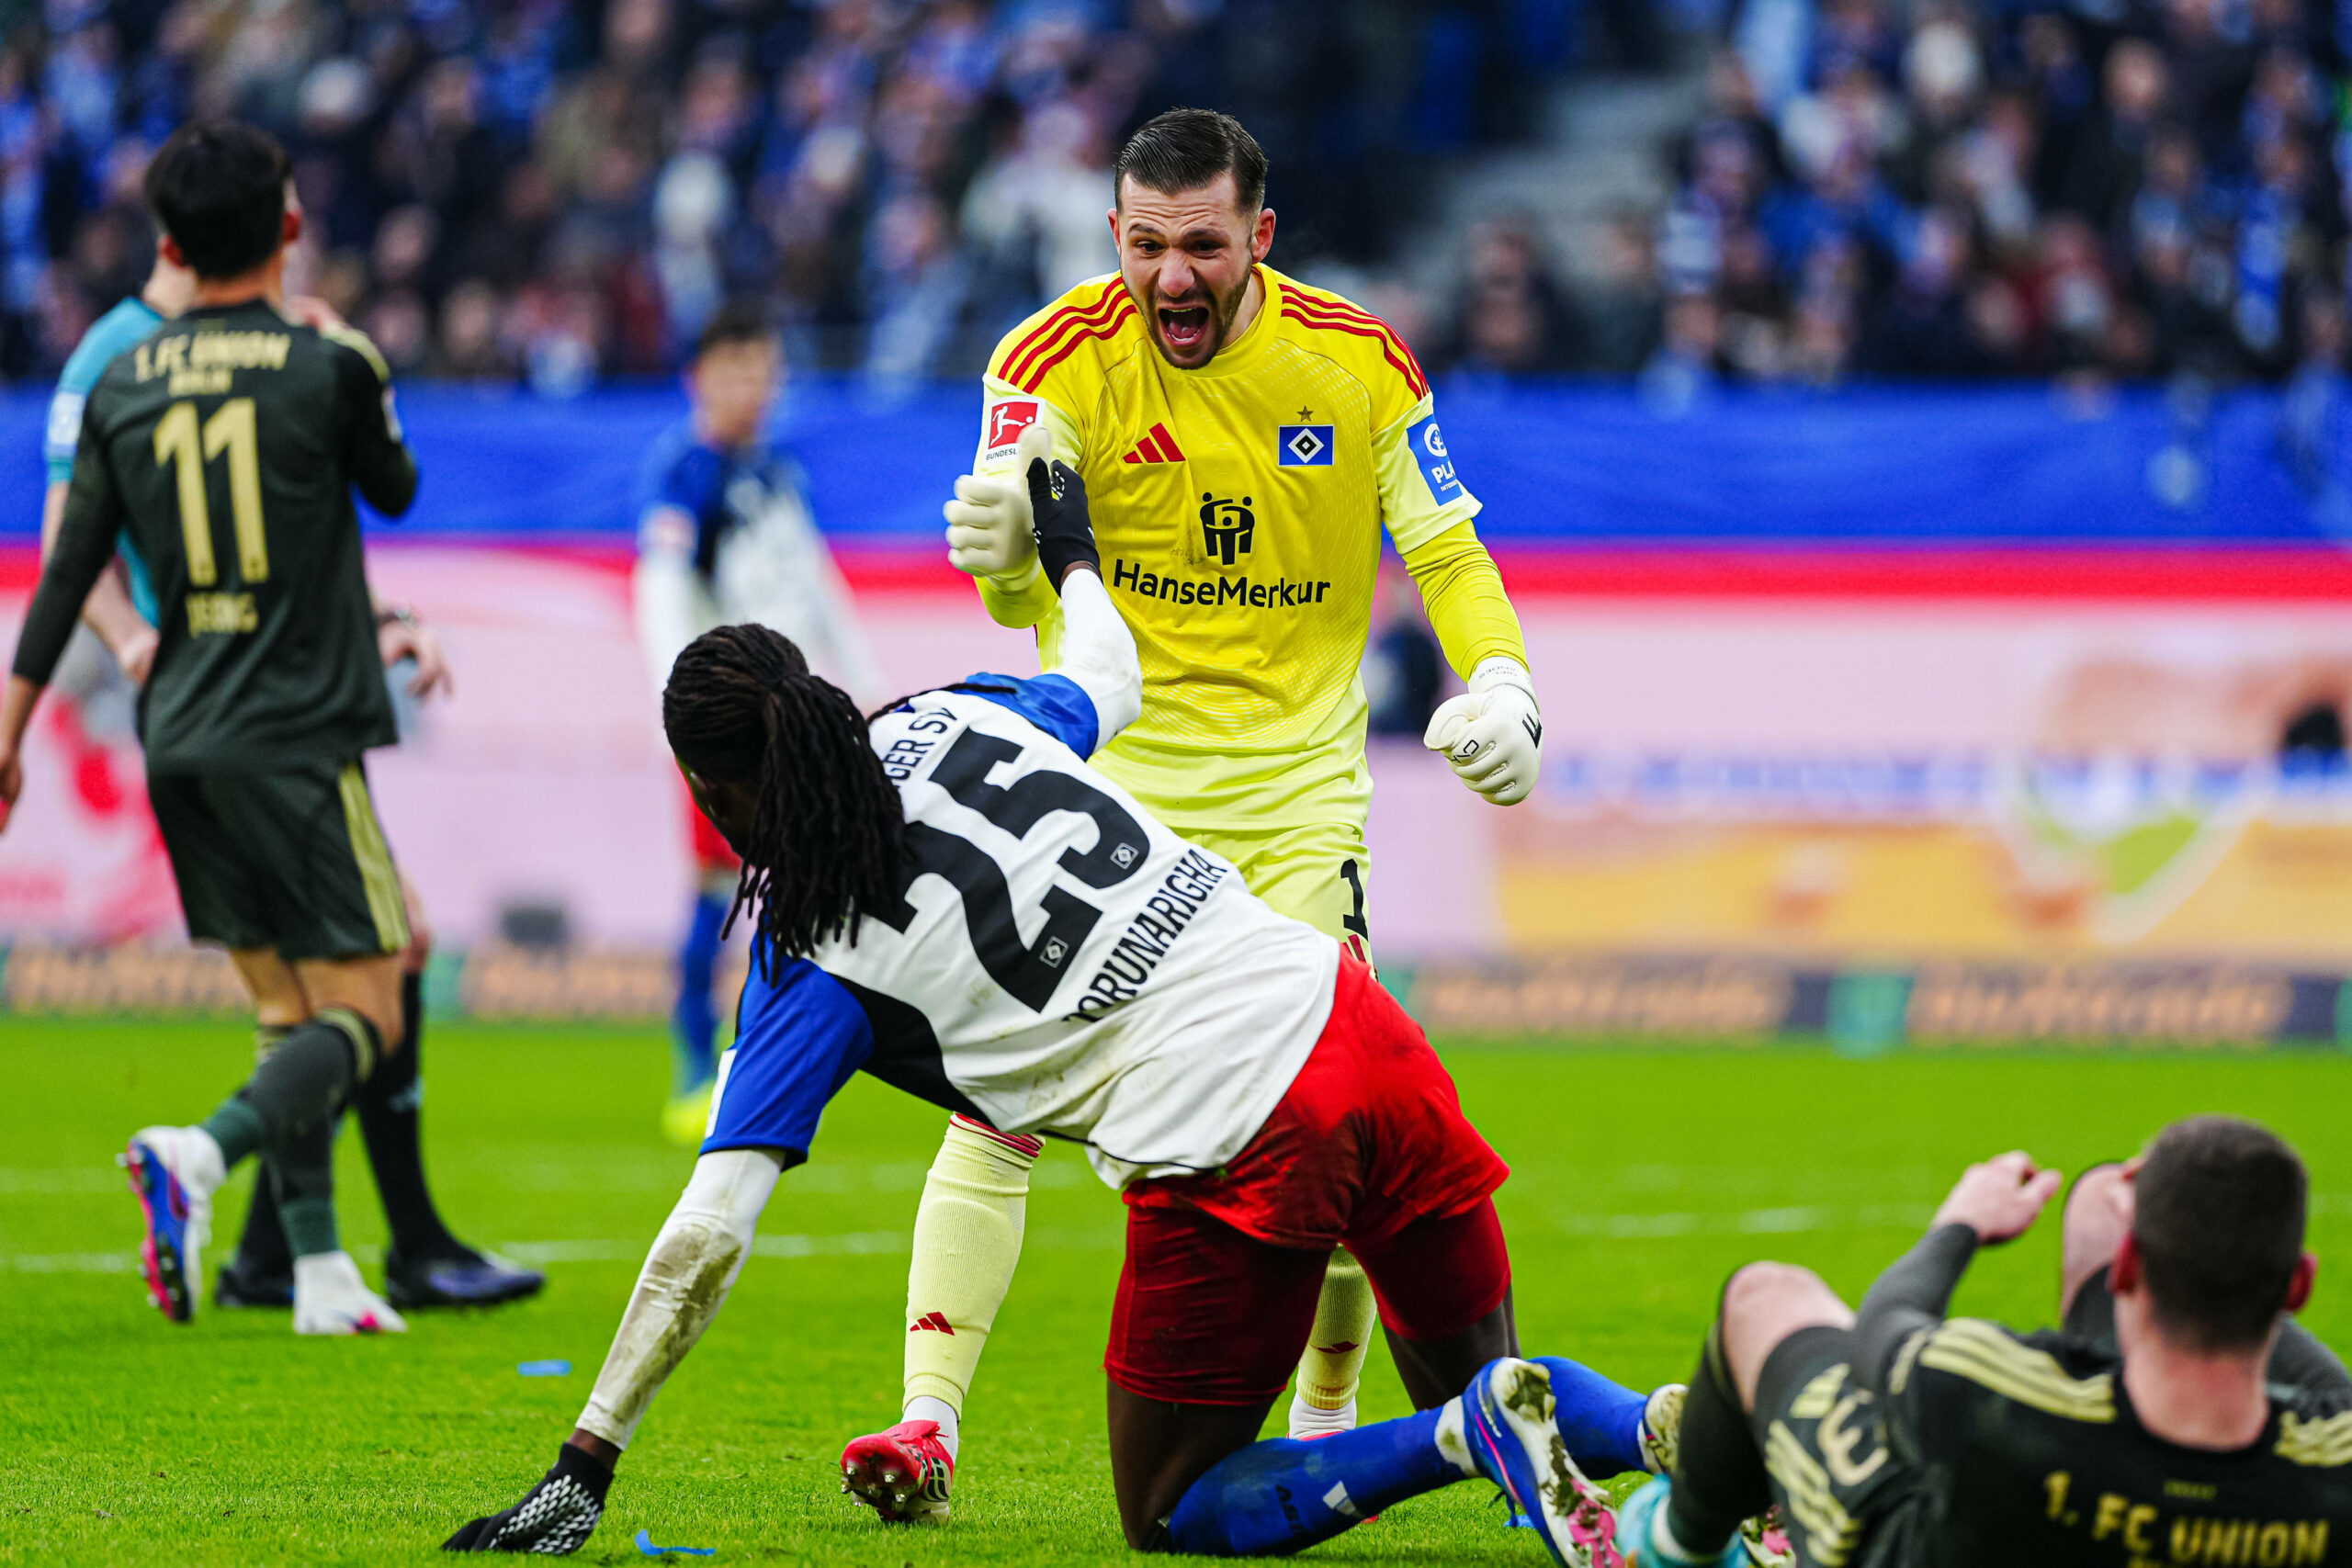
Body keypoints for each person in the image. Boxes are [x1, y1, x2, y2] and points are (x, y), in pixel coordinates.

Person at [441, 446, 1679, 1563]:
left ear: (716, 790)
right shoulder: (951, 713)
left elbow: (708, 1231)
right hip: (1353, 1014)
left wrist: (588, 1453)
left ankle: (1464, 1438)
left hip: (1242, 1122)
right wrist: (1074, 551)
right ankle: (1693, 1439)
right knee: (1494, 1373)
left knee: (1174, 1506)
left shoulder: (812, 946)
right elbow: (1108, 672)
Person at [863, 107, 1550, 1511]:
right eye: (1147, 246)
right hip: (1110, 797)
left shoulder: (1356, 363)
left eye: (1204, 247)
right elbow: (1022, 571)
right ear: (1115, 235)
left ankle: (1327, 1408)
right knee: (992, 1109)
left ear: (1261, 239)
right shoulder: (1049, 358)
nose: (1172, 277)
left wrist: (1506, 684)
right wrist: (1001, 561)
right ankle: (924, 1425)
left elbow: (1447, 547)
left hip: (1296, 803)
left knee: (1340, 1127)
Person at [43, 231, 538, 1315]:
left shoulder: (154, 361)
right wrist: (126, 641)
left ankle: (301, 1263)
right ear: (251, 237)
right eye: (290, 223)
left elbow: (270, 551)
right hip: (268, 713)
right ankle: (220, 1164)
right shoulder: (134, 360)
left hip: (200, 713)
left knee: (287, 995)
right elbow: (81, 545)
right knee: (387, 956)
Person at [3, 120, 438, 1334]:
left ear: (173, 244)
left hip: (179, 729)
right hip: (297, 728)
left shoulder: (120, 382)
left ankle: (316, 1269)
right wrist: (348, 345)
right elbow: (395, 489)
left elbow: (67, 567)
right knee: (369, 1008)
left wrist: (8, 725)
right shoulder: (325, 364)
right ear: (289, 229)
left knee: (287, 1002)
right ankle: (200, 1149)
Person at [1616, 1120, 2352, 1567]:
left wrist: (1961, 1222)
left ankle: (1678, 1542)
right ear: (2297, 1287)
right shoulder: (2333, 1455)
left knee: (1766, 1296)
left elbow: (1886, 1332)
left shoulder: (2005, 1392)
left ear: (2130, 1267)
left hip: (1918, 1543)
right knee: (2099, 1194)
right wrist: (2223, 1252)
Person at [632, 299, 882, 1146]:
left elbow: (818, 582)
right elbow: (660, 589)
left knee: (805, 881)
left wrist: (865, 681)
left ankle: (785, 1055)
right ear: (696, 378)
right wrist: (686, 714)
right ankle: (696, 1070)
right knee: (718, 892)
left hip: (797, 715)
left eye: (764, 370)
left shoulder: (778, 474)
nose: (753, 388)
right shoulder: (685, 477)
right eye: (735, 370)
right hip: (729, 728)